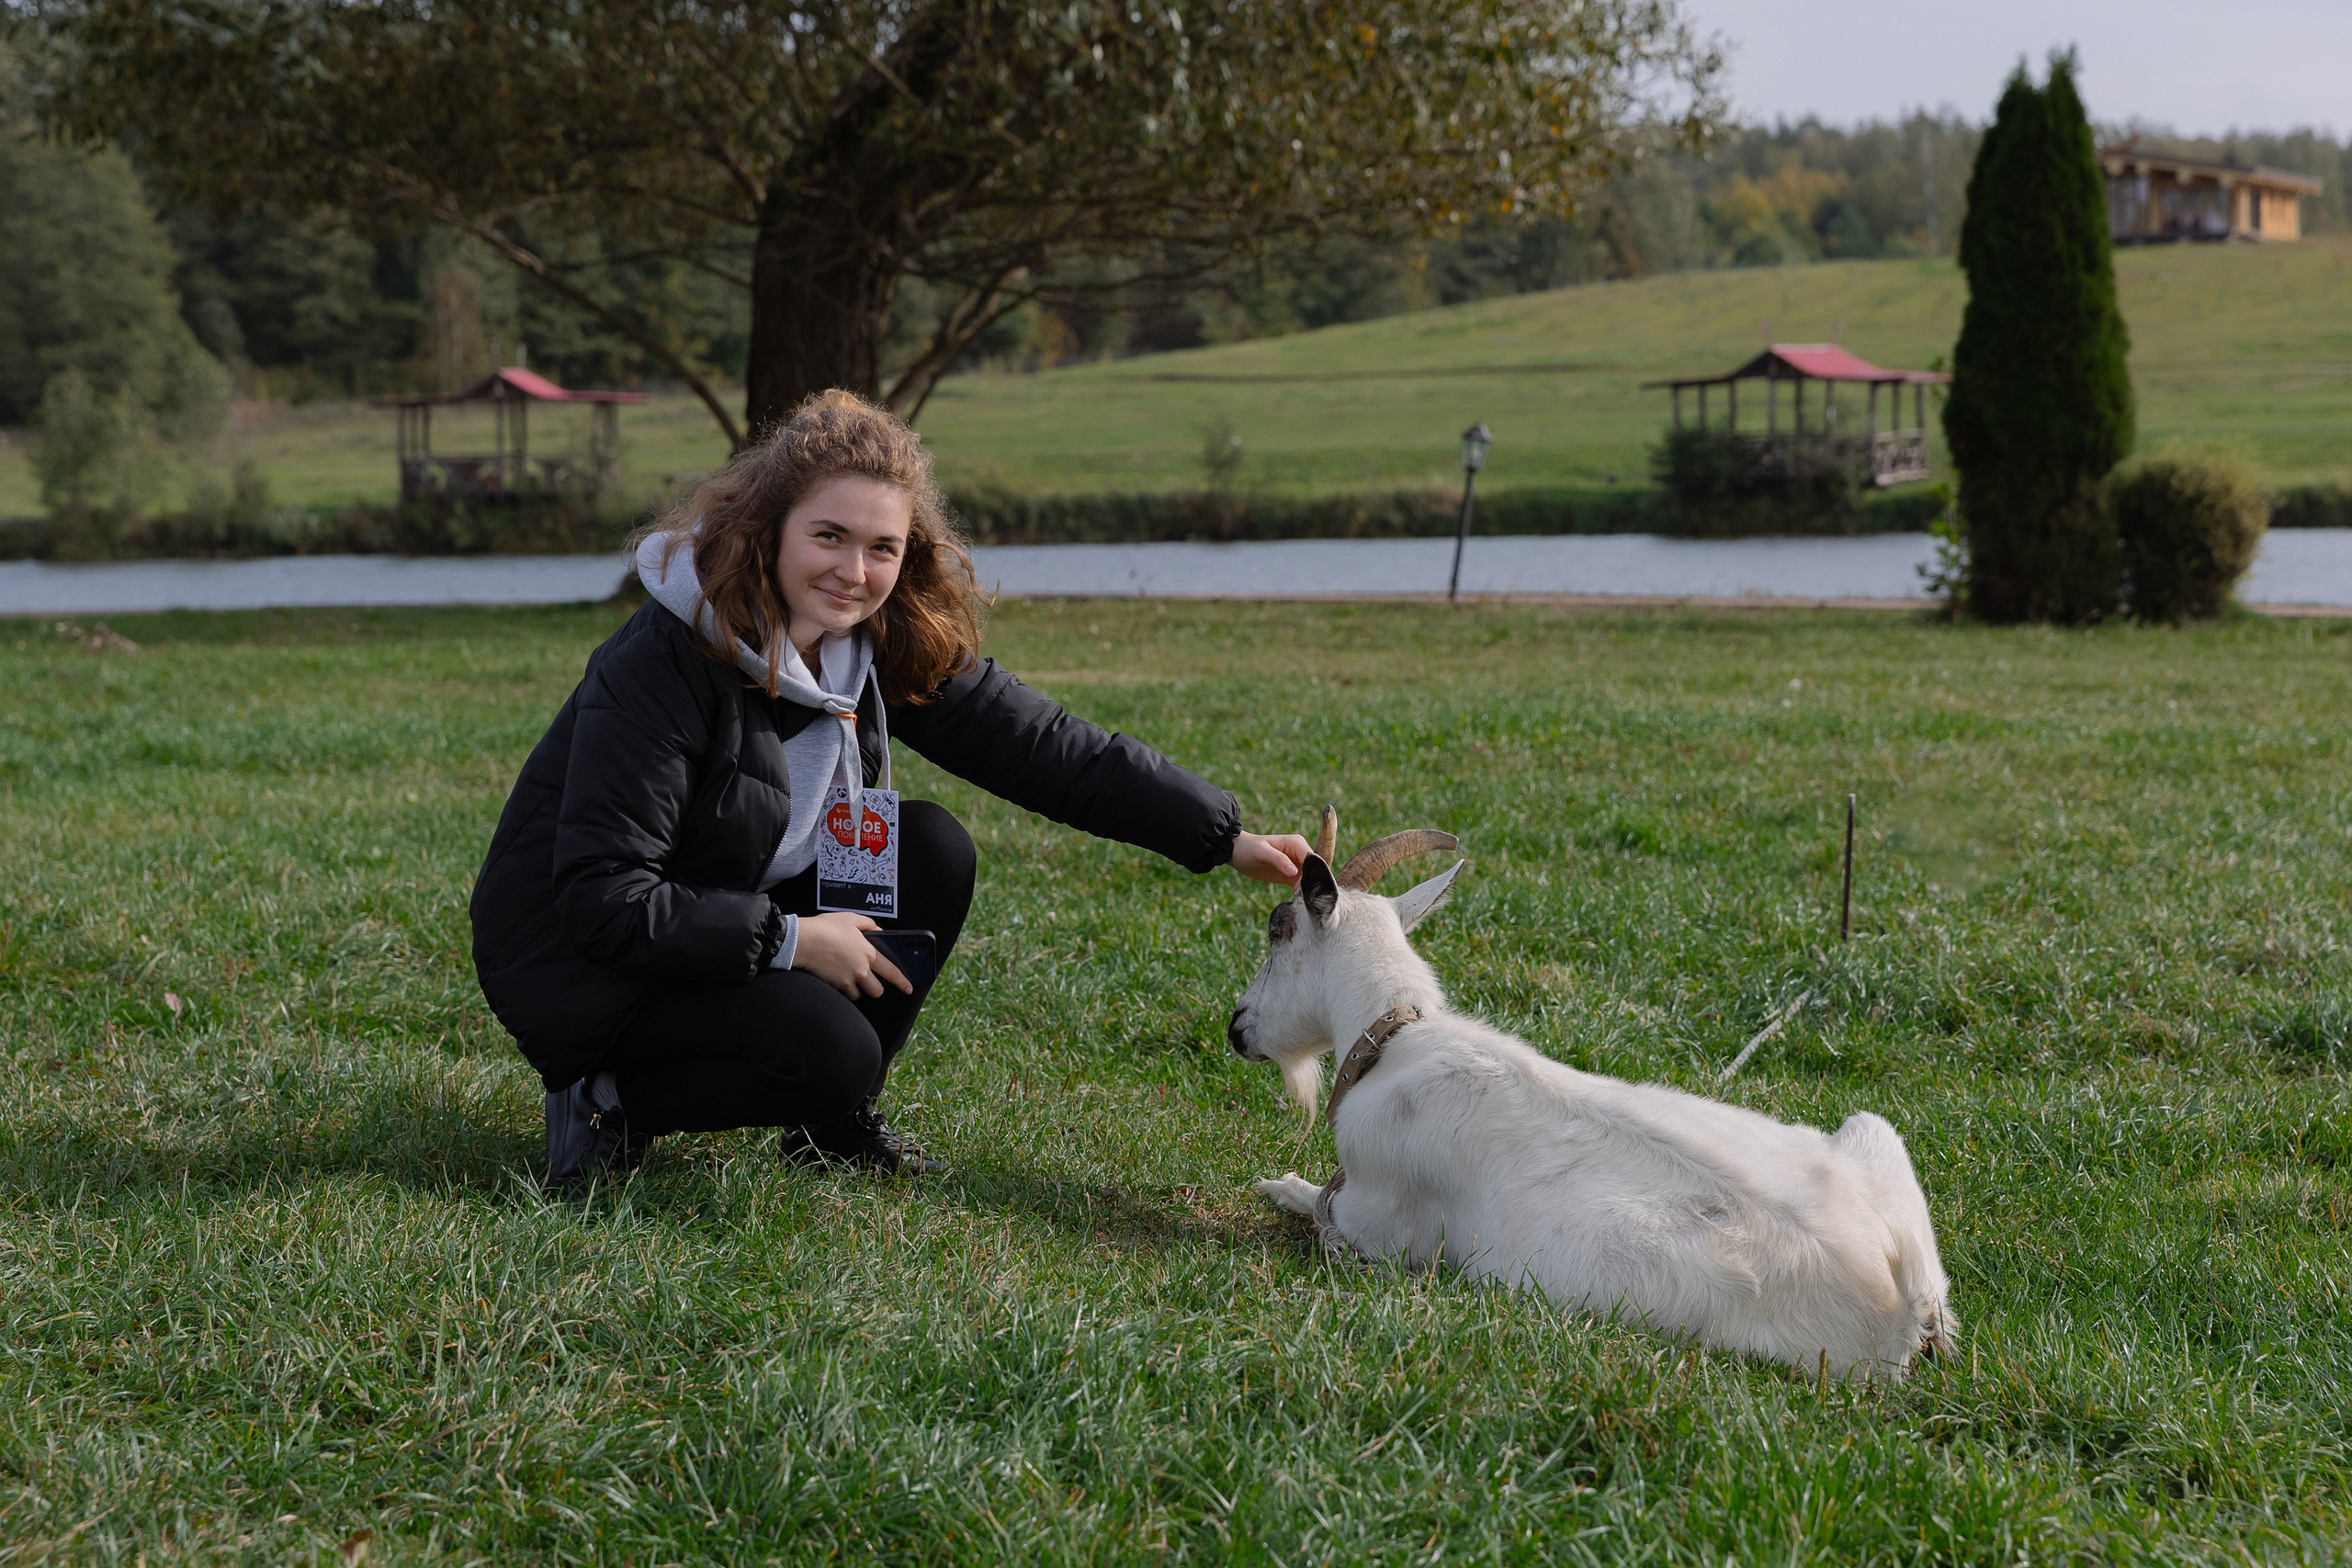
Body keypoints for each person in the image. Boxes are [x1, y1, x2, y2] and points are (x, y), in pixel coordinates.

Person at [469, 390, 1310, 1187]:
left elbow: (1048, 749)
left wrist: (1221, 835)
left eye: (883, 548)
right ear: (769, 529)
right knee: (829, 1050)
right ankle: (606, 1101)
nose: (854, 571)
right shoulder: (664, 660)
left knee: (931, 847)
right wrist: (792, 941)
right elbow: (604, 898)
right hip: (583, 962)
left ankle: (828, 1127)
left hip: (721, 904)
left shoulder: (874, 642)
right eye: (828, 536)